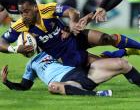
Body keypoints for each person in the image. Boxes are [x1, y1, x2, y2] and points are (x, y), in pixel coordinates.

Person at [0, 0, 140, 68]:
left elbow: (72, 11)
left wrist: (72, 23)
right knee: (103, 64)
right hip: (65, 54)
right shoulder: (20, 25)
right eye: (21, 12)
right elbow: (2, 42)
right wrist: (15, 49)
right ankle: (124, 52)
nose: (24, 15)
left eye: (26, 11)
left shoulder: (47, 9)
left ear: (35, 8)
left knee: (106, 38)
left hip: (74, 37)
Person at [1, 51, 140, 96]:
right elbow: (24, 86)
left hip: (85, 73)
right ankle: (97, 95)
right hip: (69, 83)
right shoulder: (31, 64)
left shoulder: (54, 48)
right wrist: (6, 82)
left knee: (121, 64)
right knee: (53, 86)